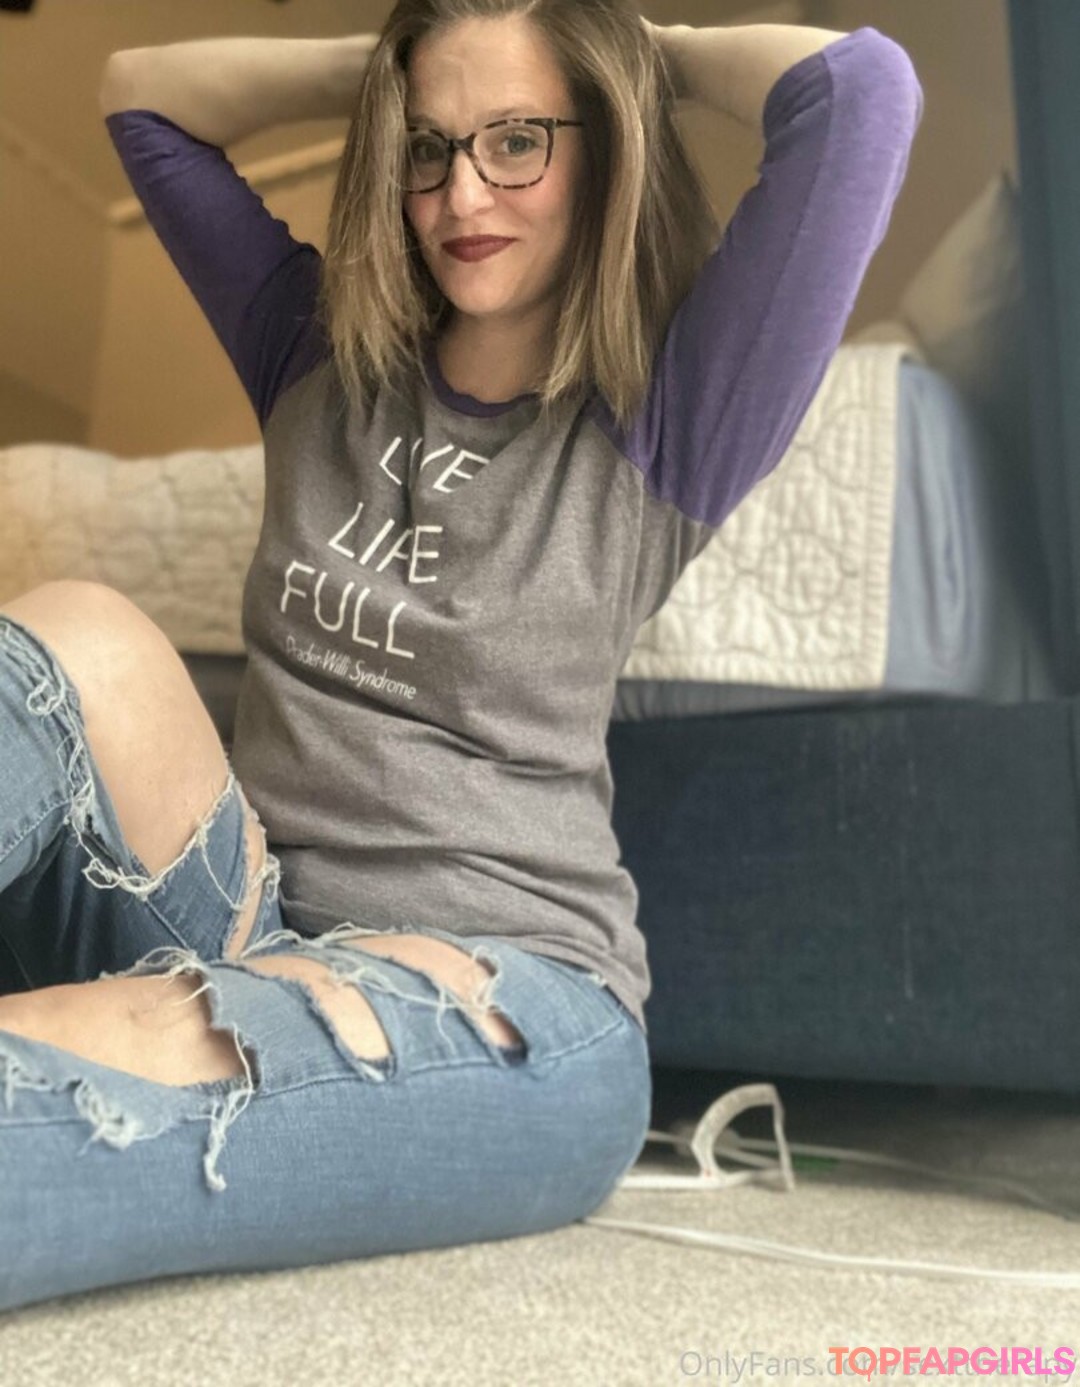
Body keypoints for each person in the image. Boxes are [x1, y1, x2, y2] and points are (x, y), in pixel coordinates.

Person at [0, 0, 923, 1314]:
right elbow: (142, 95)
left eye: (519, 140)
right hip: (251, 916)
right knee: (76, 631)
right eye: (427, 149)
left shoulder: (668, 419)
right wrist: (393, 74)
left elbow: (859, 96)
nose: (461, 194)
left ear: (601, 147)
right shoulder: (316, 351)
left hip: (509, 995)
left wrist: (630, 57)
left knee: (57, 1050)